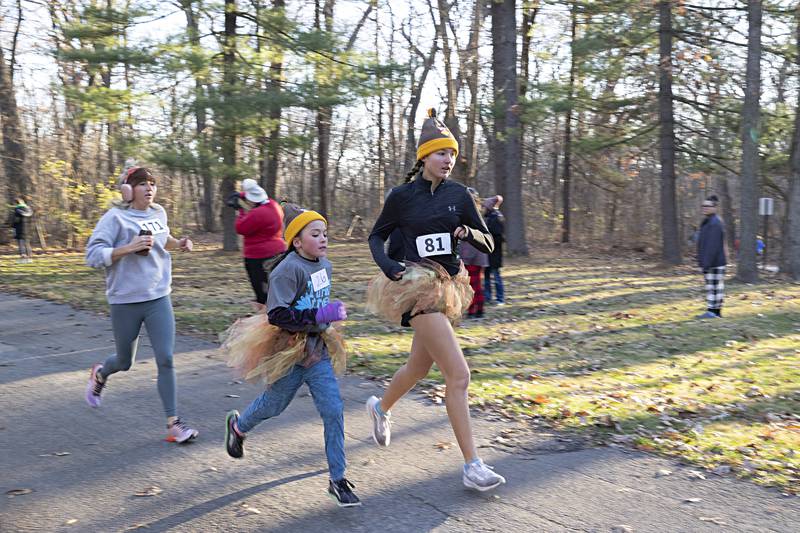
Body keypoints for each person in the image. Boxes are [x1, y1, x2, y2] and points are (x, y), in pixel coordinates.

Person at [365, 108, 506, 492]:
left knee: (417, 369)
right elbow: (377, 237)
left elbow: (488, 241)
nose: (448, 160)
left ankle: (380, 408)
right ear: (424, 156)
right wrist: (389, 265)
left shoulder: (460, 195)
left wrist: (468, 232)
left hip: (449, 286)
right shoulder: (402, 197)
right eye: (442, 153)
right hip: (415, 287)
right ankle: (472, 465)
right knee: (458, 375)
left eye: (453, 155)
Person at [221, 204, 360, 507]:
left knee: (333, 409)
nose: (323, 239)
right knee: (274, 405)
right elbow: (277, 315)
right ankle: (239, 426)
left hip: (317, 350)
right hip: (288, 350)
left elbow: (316, 300)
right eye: (315, 234)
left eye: (325, 233)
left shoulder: (326, 265)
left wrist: (327, 315)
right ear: (297, 241)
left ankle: (338, 478)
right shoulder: (288, 270)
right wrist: (321, 313)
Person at [84, 165, 198, 443]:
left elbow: (163, 239)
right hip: (125, 300)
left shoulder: (159, 212)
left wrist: (179, 242)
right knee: (124, 361)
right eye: (141, 183)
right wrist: (127, 248)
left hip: (158, 296)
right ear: (128, 189)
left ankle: (173, 424)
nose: (149, 188)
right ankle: (101, 374)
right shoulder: (115, 217)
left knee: (166, 358)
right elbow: (92, 254)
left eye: (152, 183)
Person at [231, 178, 286, 311]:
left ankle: (267, 320)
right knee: (277, 290)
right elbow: (253, 197)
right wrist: (241, 196)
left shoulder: (258, 213)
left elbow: (240, 228)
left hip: (259, 257)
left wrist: (240, 211)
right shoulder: (273, 205)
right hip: (278, 252)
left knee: (262, 293)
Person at [460, 188, 489, 318]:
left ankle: (474, 310)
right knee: (475, 284)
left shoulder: (472, 216)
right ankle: (478, 309)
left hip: (472, 256)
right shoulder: (477, 215)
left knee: (472, 285)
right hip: (476, 256)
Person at [697, 195, 726, 318]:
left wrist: (706, 263)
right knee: (713, 287)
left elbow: (712, 246)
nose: (704, 208)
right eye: (703, 206)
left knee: (714, 288)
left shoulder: (714, 223)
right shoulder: (708, 221)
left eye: (707, 206)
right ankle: (714, 312)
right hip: (712, 261)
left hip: (714, 262)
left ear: (714, 207)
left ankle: (713, 312)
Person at [482, 195, 505, 305]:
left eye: (485, 206)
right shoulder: (487, 217)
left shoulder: (496, 217)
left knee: (496, 276)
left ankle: (500, 299)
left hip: (494, 252)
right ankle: (487, 297)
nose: (483, 208)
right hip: (487, 252)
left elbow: (497, 236)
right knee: (486, 276)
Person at [11, 197, 33, 263]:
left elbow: (16, 220)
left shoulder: (17, 210)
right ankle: (29, 257)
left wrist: (13, 226)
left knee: (21, 243)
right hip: (28, 228)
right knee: (27, 243)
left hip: (19, 228)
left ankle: (23, 258)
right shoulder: (28, 209)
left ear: (16, 203)